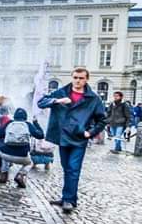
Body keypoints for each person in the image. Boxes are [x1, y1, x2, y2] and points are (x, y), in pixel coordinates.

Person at [38, 67, 106, 213]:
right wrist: (57, 101)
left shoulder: (93, 98)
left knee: (73, 169)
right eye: (75, 77)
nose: (77, 81)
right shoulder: (61, 92)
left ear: (86, 79)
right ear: (72, 77)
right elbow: (41, 102)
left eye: (81, 78)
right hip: (63, 137)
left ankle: (68, 200)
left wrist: (90, 132)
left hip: (79, 138)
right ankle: (68, 198)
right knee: (66, 168)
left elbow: (102, 120)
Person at [0, 108, 45, 188]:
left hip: (6, 155)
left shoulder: (9, 123)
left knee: (3, 153)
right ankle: (20, 175)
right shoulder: (28, 125)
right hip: (22, 156)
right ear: (25, 117)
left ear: (14, 116)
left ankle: (4, 175)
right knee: (30, 163)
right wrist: (36, 123)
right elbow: (41, 136)